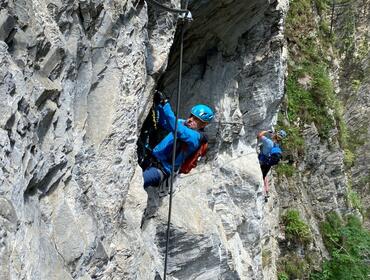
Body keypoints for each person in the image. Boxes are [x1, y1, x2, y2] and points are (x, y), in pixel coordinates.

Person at [143, 91, 214, 189]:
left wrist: (166, 104)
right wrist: (159, 105)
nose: (190, 120)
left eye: (196, 119)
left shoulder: (196, 138)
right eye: (191, 116)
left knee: (138, 182)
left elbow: (178, 130)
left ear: (204, 124)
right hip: (150, 159)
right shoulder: (183, 123)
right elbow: (165, 122)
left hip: (161, 170)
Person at [257, 129, 287, 201]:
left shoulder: (268, 142)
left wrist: (266, 131)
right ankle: (267, 191)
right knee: (265, 176)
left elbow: (259, 135)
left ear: (276, 135)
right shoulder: (277, 146)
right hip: (268, 164)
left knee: (261, 176)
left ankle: (262, 193)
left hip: (262, 161)